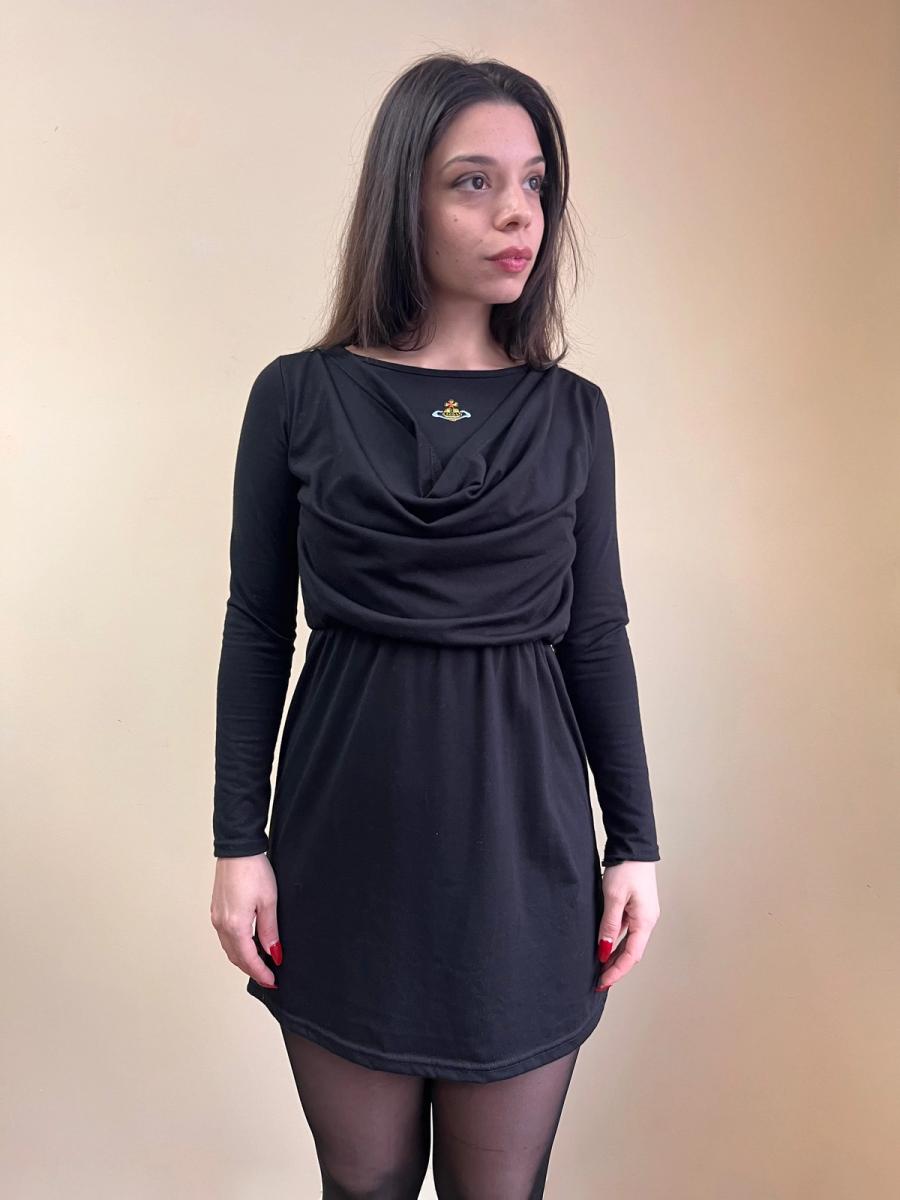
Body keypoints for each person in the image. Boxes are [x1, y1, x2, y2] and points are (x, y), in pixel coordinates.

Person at [210, 51, 661, 1200]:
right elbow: (258, 626)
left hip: (525, 860)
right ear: (400, 197)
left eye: (536, 182)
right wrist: (237, 842)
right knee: (363, 1188)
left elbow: (596, 632)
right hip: (342, 850)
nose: (519, 212)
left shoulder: (573, 414)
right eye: (474, 181)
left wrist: (636, 845)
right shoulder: (297, 395)